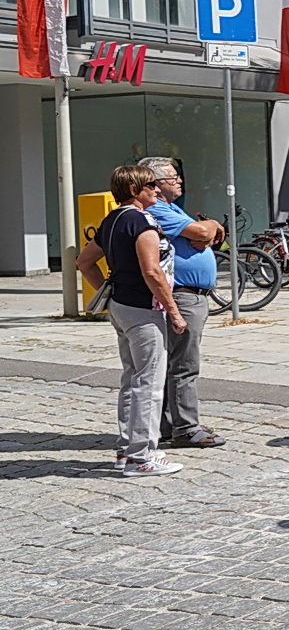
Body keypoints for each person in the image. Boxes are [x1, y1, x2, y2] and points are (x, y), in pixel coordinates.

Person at [75, 166, 187, 477]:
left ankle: (127, 448)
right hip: (144, 309)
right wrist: (174, 311)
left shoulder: (112, 219)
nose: (156, 189)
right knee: (149, 383)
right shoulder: (140, 221)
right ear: (135, 190)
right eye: (150, 184)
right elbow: (152, 271)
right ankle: (142, 457)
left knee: (132, 378)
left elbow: (84, 261)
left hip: (122, 307)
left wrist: (109, 294)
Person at [138, 157, 226, 450]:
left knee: (176, 362)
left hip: (191, 295)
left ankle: (171, 424)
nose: (179, 181)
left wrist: (209, 226)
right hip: (182, 295)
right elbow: (201, 234)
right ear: (155, 184)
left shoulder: (172, 207)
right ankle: (186, 428)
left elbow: (205, 232)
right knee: (183, 365)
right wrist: (208, 227)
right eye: (172, 178)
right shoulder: (157, 209)